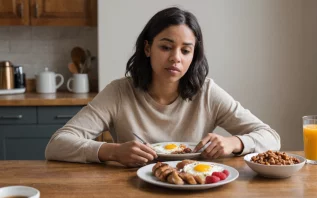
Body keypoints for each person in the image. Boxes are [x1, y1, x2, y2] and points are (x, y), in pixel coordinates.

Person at [45, 7, 280, 167]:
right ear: (148, 49)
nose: (176, 58)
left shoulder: (207, 93)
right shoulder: (119, 92)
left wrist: (234, 143)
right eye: (166, 47)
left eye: (186, 50)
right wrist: (113, 151)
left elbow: (271, 137)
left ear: (193, 55)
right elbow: (57, 144)